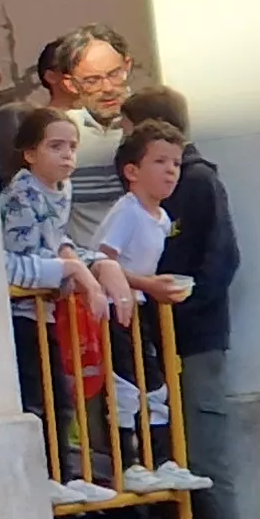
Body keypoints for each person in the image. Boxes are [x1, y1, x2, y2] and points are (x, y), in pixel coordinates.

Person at [122, 86, 253, 519]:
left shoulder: (198, 184)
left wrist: (181, 307)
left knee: (204, 451)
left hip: (193, 339)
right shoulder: (139, 199)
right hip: (152, 342)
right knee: (162, 454)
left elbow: (220, 260)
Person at [0, 105, 115, 501]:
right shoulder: (19, 196)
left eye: (72, 146)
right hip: (21, 313)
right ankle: (46, 477)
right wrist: (74, 273)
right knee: (39, 399)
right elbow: (12, 261)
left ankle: (63, 475)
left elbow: (59, 241)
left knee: (60, 400)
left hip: (46, 312)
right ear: (30, 153)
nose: (67, 155)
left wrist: (95, 267)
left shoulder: (61, 191)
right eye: (55, 146)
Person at [92, 120, 209, 495]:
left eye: (175, 162)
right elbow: (102, 259)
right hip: (117, 307)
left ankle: (161, 459)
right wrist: (146, 284)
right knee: (127, 385)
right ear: (132, 171)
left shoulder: (161, 219)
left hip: (141, 307)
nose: (171, 170)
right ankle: (128, 463)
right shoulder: (126, 211)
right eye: (160, 161)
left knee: (154, 384)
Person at [35, 26, 137, 249]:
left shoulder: (151, 129)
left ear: (127, 66)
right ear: (70, 84)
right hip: (88, 274)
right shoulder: (58, 137)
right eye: (92, 80)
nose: (108, 88)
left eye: (114, 73)